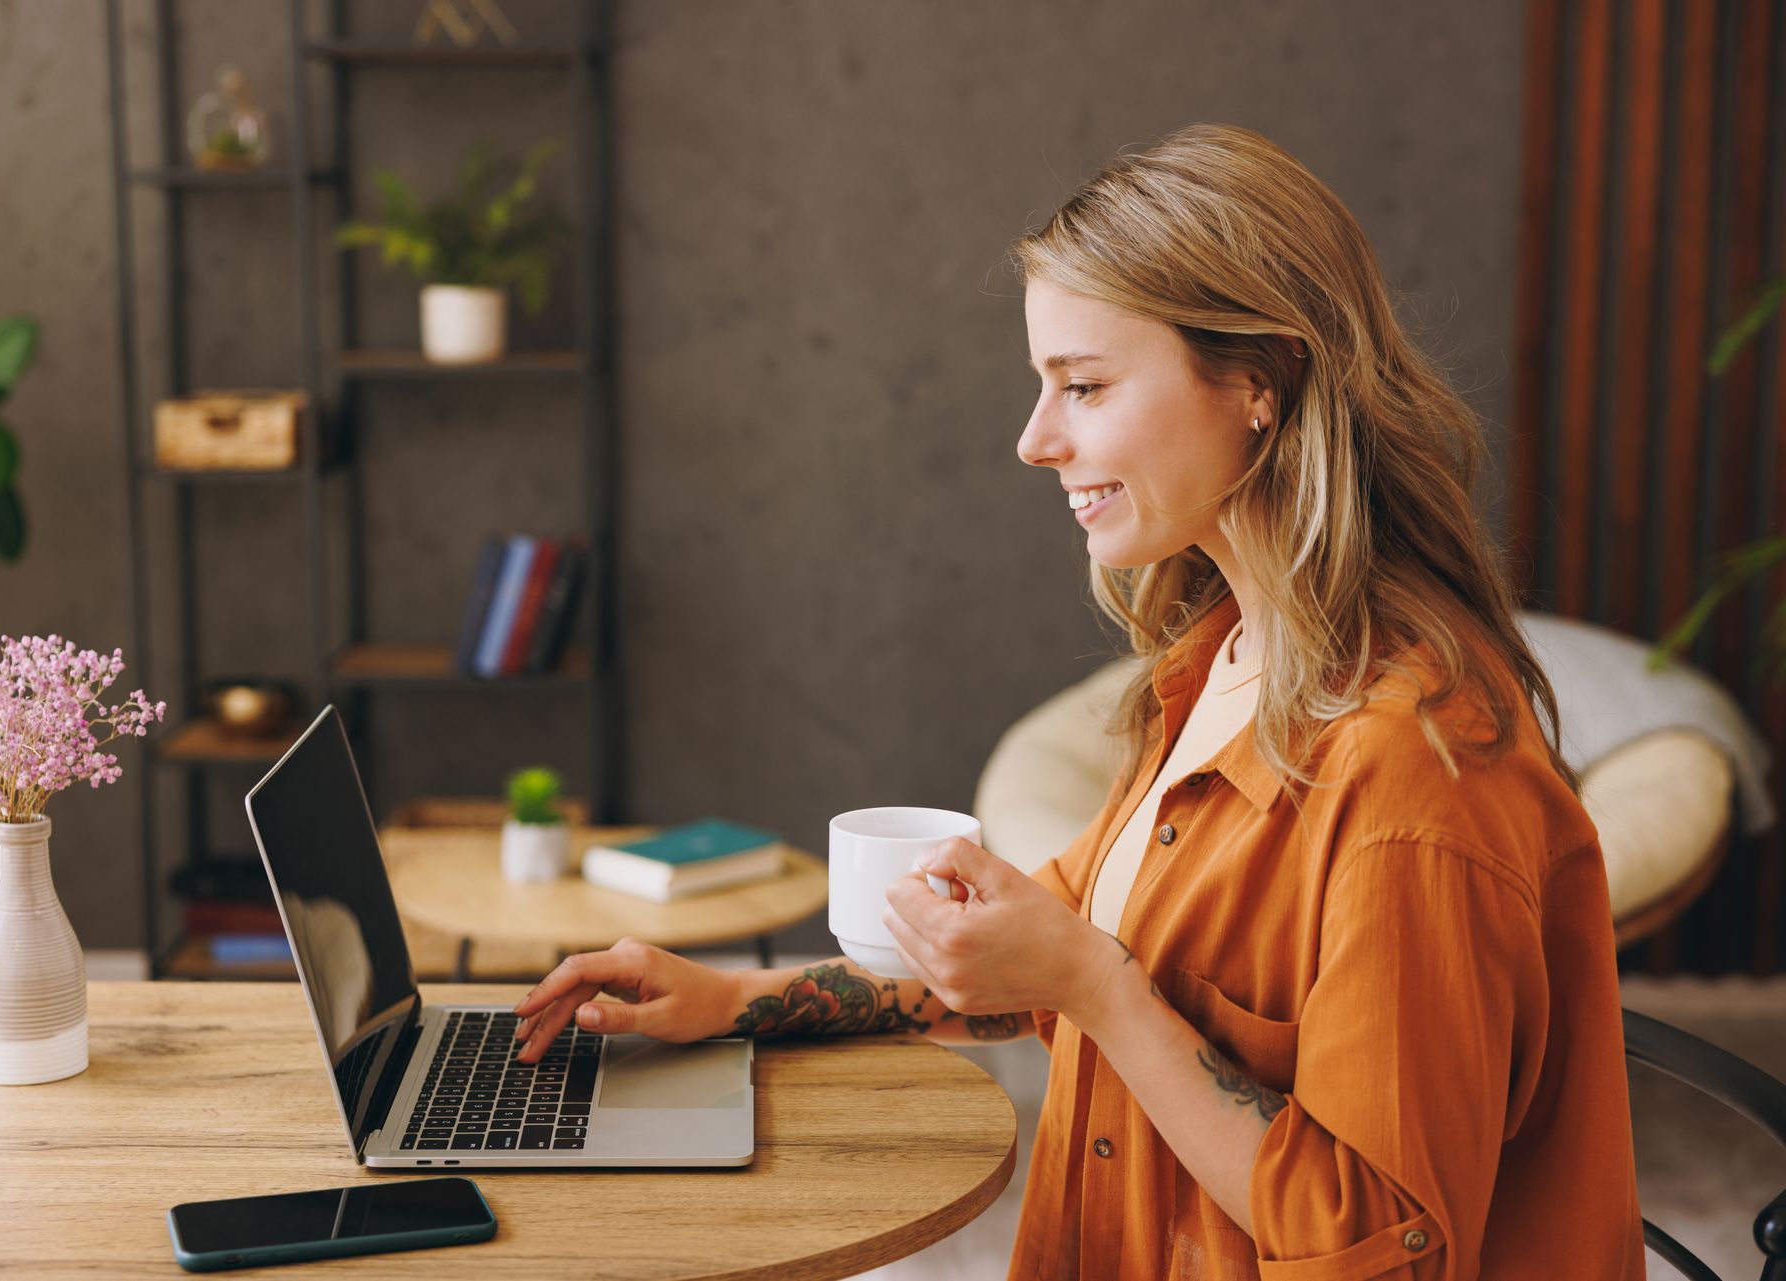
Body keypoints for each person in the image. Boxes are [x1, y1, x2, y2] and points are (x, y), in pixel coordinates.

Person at [509, 123, 1646, 1279]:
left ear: (1261, 382)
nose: (1034, 441)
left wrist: (1094, 988)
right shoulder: (1219, 661)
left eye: (1086, 387)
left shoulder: (1412, 770)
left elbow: (1379, 1245)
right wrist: (735, 1002)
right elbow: (1047, 960)